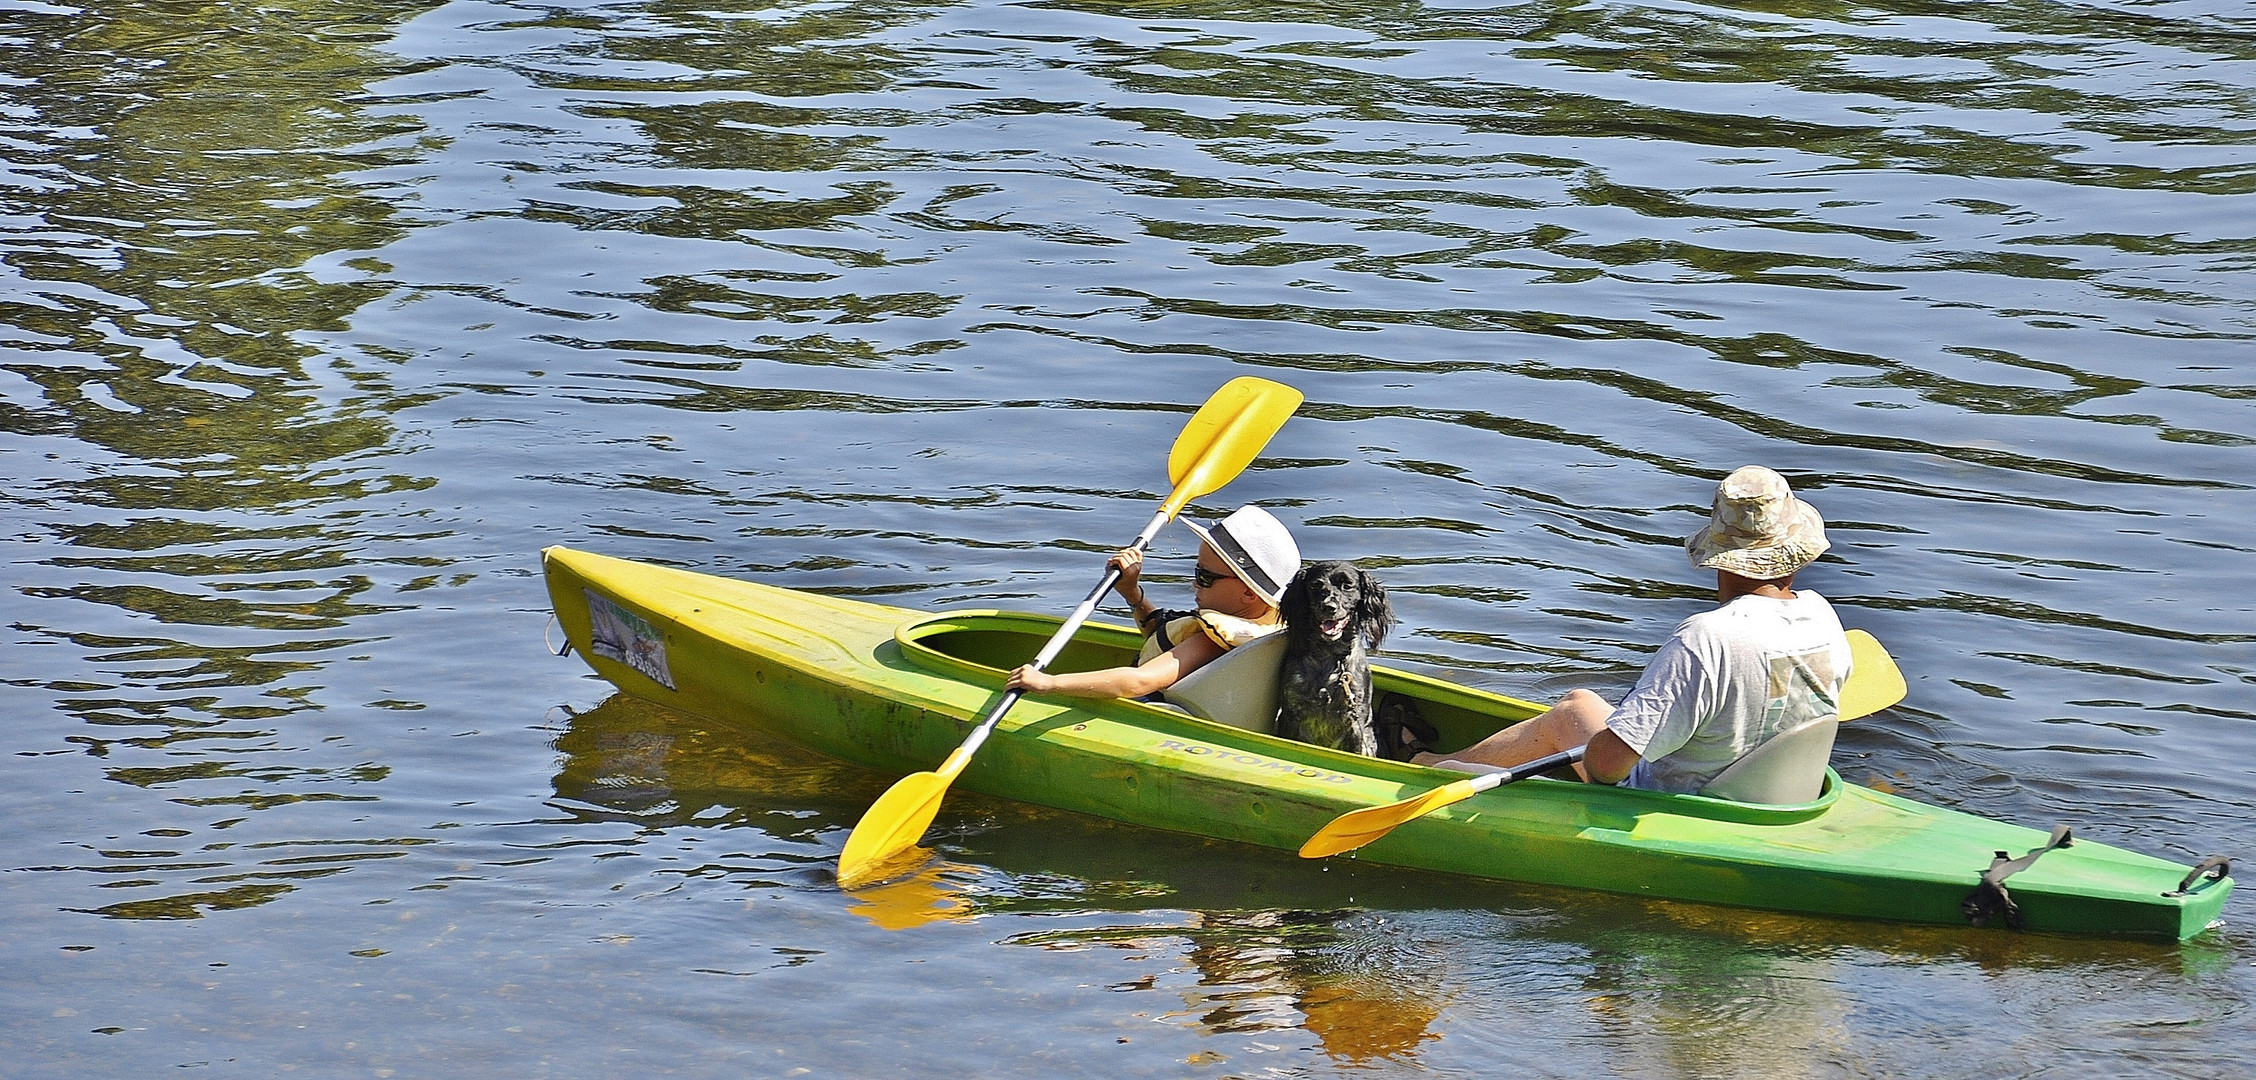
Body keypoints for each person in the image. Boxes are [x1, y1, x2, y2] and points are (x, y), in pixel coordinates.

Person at [1420, 466, 1852, 791]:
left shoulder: (1706, 638)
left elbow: (1605, 767)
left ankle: (1424, 766)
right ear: (1799, 556)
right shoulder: (1823, 617)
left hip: (1678, 801)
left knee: (1575, 707)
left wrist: (1597, 747)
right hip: (1778, 796)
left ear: (1719, 557)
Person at [1006, 504, 1300, 701]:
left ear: (1249, 593)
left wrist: (1048, 683)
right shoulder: (1267, 627)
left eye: (1204, 576)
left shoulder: (1211, 642)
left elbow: (1138, 682)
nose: (1194, 583)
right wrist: (1132, 593)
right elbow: (1166, 636)